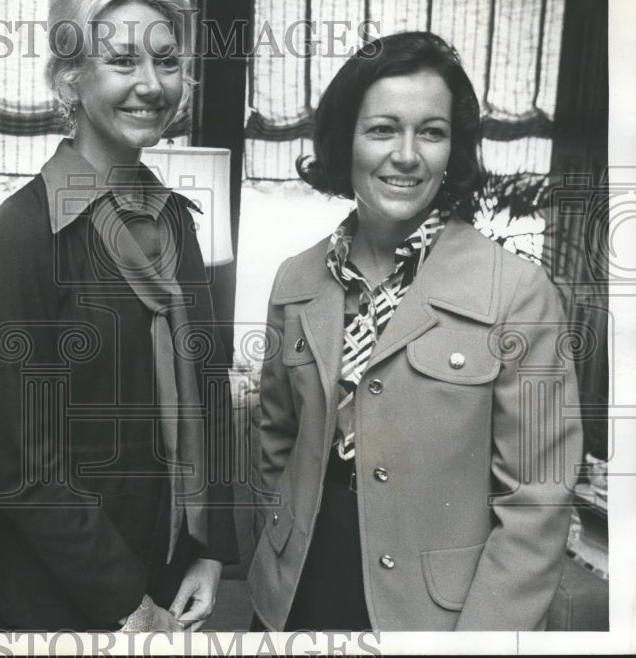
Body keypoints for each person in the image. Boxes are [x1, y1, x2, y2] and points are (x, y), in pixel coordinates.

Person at [247, 31, 583, 631]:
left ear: (453, 148)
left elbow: (537, 502)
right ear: (344, 140)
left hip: (437, 617)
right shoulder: (295, 279)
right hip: (293, 594)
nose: (407, 155)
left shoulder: (517, 293)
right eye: (382, 129)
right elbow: (276, 443)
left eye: (431, 132)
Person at [0, 0, 239, 632]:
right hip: (62, 601)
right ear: (70, 77)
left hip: (170, 580)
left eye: (168, 61)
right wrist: (127, 602)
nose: (153, 85)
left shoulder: (176, 219)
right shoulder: (23, 232)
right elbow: (25, 466)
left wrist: (210, 551)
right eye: (122, 61)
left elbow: (209, 390)